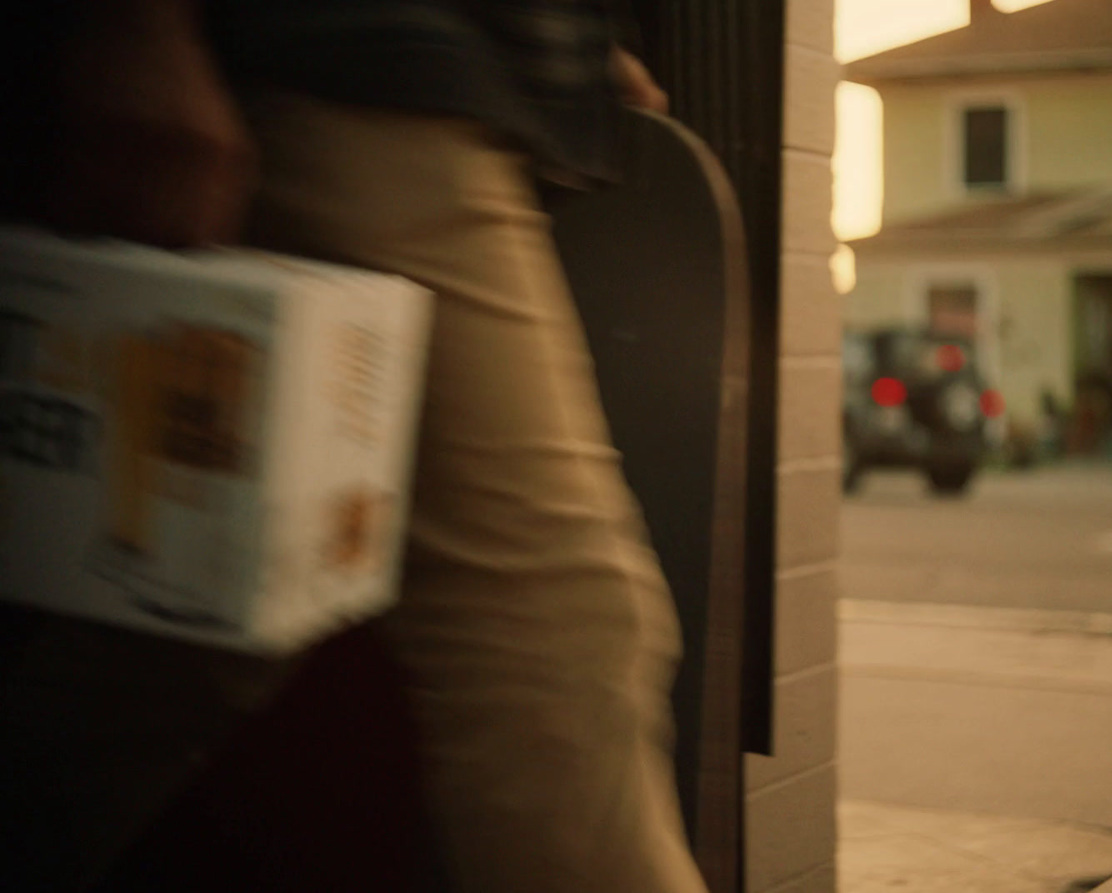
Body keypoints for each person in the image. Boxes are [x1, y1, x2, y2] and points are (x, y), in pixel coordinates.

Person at [1, 1, 705, 890]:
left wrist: (574, 49)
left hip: (399, 88)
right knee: (551, 626)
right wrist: (137, 23)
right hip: (351, 75)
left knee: (202, 606)